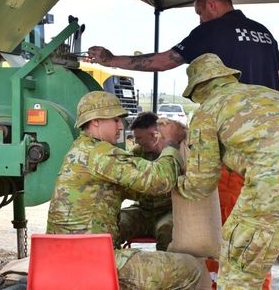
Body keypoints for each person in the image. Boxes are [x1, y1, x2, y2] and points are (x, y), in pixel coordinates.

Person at [158, 53, 279, 289]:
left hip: (273, 187)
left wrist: (175, 183)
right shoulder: (273, 95)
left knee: (238, 279)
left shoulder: (208, 110)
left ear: (199, 88)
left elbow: (203, 180)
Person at [46, 91, 201, 289]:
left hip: (64, 256)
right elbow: (158, 181)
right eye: (115, 119)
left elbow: (137, 189)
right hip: (91, 259)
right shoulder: (100, 154)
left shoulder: (82, 149)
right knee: (190, 268)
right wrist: (170, 144)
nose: (121, 126)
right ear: (95, 121)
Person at [88, 0, 279, 90]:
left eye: (200, 12)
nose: (200, 19)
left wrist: (111, 60)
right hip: (273, 124)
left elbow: (163, 62)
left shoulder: (210, 30)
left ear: (211, 5)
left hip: (237, 125)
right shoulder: (265, 32)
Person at [120, 112, 173, 251]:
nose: (136, 142)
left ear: (153, 134)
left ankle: (164, 270)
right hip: (143, 211)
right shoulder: (137, 153)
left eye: (139, 138)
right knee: (117, 222)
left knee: (167, 231)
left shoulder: (172, 152)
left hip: (167, 212)